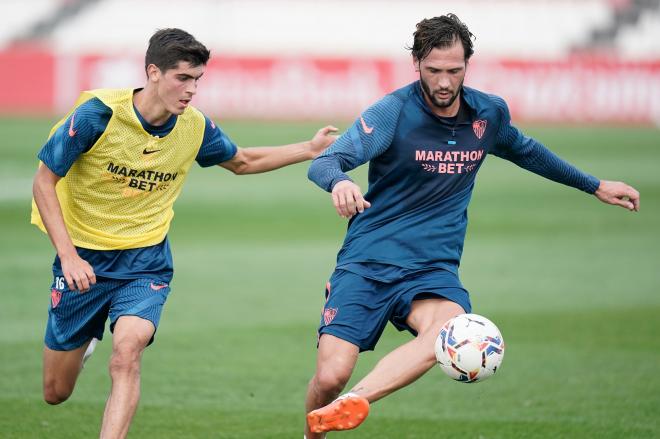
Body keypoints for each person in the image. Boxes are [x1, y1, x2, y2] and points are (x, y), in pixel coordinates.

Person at [304, 14, 639, 437]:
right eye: (434, 71)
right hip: (367, 261)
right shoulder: (393, 112)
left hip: (432, 268)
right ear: (416, 63)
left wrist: (594, 185)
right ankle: (315, 429)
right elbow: (325, 160)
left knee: (447, 329)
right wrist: (340, 182)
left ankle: (357, 400)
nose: (444, 82)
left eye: (454, 71)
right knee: (332, 376)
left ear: (468, 64)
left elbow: (528, 152)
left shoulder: (488, 114)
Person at [31, 28, 337, 439]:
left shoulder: (193, 127)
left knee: (127, 354)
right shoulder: (97, 117)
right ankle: (84, 342)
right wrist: (68, 256)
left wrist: (309, 149)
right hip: (83, 260)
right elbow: (43, 182)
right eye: (183, 78)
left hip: (145, 262)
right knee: (56, 392)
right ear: (153, 72)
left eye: (197, 80)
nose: (192, 89)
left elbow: (242, 161)